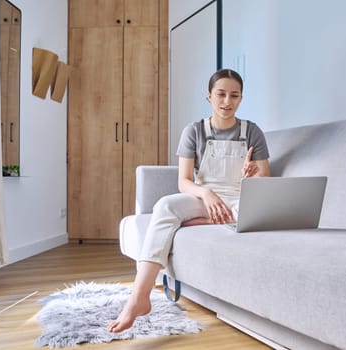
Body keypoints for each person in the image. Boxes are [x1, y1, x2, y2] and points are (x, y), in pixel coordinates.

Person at [108, 69, 270, 333]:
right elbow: (183, 181)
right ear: (209, 96)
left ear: (241, 98)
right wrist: (206, 194)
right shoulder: (194, 131)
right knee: (165, 206)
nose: (227, 102)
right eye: (220, 94)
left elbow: (266, 179)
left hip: (241, 199)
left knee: (259, 211)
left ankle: (207, 221)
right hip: (204, 197)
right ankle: (140, 296)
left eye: (234, 95)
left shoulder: (252, 132)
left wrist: (254, 175)